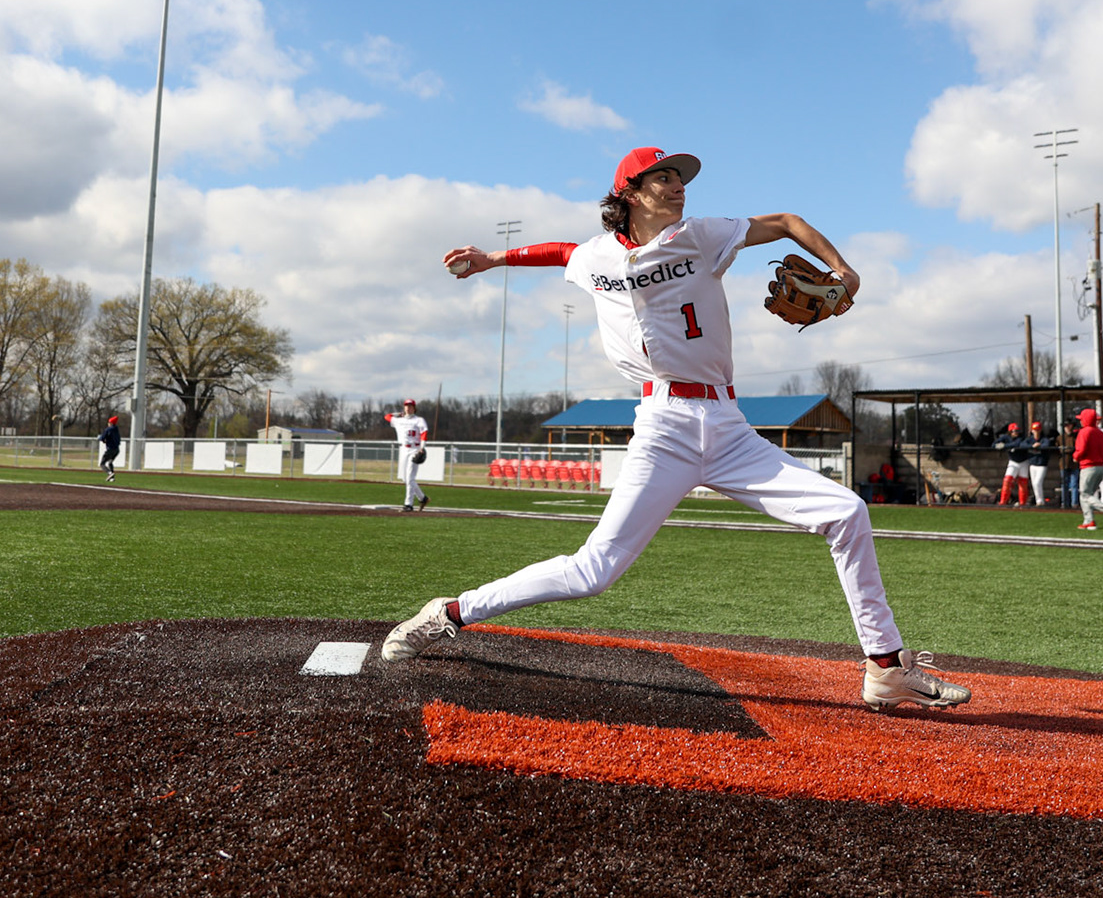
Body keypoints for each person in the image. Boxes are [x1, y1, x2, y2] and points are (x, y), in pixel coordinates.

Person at [381, 145, 973, 712]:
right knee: (593, 571)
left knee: (847, 512)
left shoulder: (702, 235)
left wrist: (844, 272)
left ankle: (886, 669)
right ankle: (450, 613)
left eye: (681, 177)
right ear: (630, 193)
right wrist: (492, 259)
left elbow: (789, 221)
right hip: (663, 425)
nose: (678, 186)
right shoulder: (598, 256)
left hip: (728, 425)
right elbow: (564, 252)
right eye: (663, 178)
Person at [1075, 408, 1103, 531]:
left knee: (1085, 494)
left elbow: (1081, 450)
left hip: (1088, 467)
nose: (1081, 422)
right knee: (1087, 495)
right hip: (1100, 467)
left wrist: (1075, 456)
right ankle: (1089, 521)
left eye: (1082, 419)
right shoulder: (1101, 433)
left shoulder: (1084, 432)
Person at [384, 399, 430, 511]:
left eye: (410, 406)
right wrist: (399, 414)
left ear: (414, 408)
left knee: (410, 478)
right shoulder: (399, 420)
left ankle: (408, 504)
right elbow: (387, 416)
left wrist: (422, 448)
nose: (408, 408)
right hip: (403, 449)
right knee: (405, 479)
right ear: (404, 408)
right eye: (406, 406)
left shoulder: (419, 420)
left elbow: (424, 433)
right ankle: (423, 498)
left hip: (415, 449)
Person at [995, 422, 1029, 508]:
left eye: (1017, 431)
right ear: (1010, 431)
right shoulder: (1005, 437)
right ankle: (1003, 502)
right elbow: (994, 444)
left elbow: (1017, 444)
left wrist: (1004, 446)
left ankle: (1022, 503)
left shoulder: (1021, 437)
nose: (1016, 432)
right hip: (1013, 462)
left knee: (1023, 483)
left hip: (1023, 462)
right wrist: (998, 445)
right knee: (1007, 481)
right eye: (1014, 431)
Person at [1025, 420, 1052, 510]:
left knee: (1037, 482)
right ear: (1032, 431)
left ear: (1040, 430)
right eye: (1034, 430)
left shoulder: (1044, 439)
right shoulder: (1030, 439)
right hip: (1032, 464)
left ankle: (1041, 501)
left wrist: (1039, 445)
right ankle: (1039, 501)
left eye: (1038, 430)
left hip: (1042, 465)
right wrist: (1032, 446)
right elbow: (1022, 444)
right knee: (1034, 484)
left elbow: (1046, 444)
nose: (1036, 432)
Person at [99, 415, 122, 483]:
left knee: (102, 464)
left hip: (110, 449)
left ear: (111, 423)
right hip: (117, 450)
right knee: (110, 462)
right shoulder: (116, 430)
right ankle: (112, 478)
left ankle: (109, 473)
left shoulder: (108, 429)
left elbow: (102, 438)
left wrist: (102, 439)